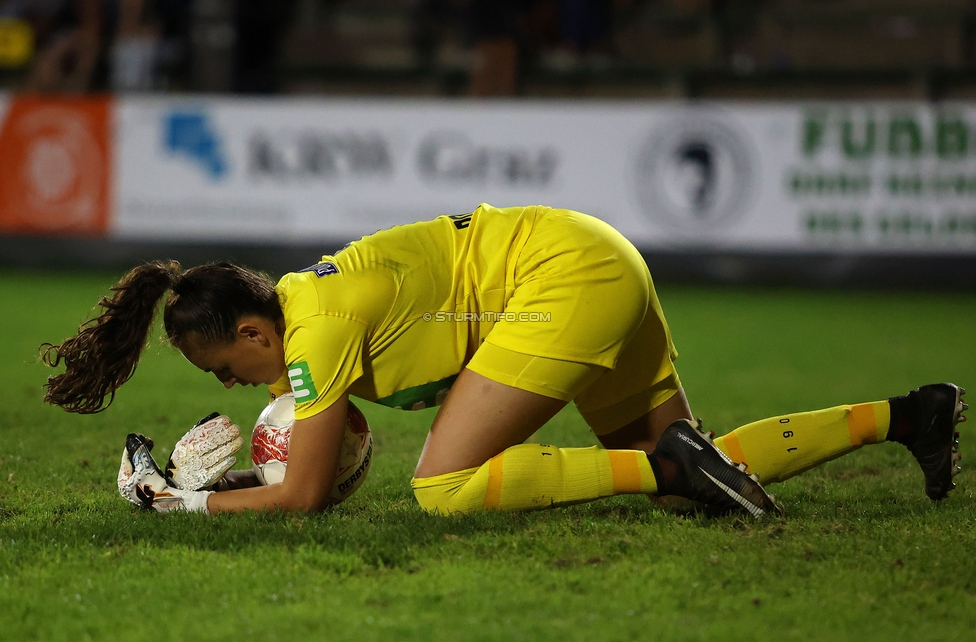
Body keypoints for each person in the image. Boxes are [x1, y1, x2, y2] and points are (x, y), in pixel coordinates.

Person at [42, 204, 967, 517]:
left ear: (253, 332)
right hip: (597, 258)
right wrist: (237, 480)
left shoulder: (312, 334)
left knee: (442, 487)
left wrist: (185, 502)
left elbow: (304, 497)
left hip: (562, 278)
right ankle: (909, 415)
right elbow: (308, 472)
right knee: (704, 467)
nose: (236, 387)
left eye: (225, 372)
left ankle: (669, 469)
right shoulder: (310, 304)